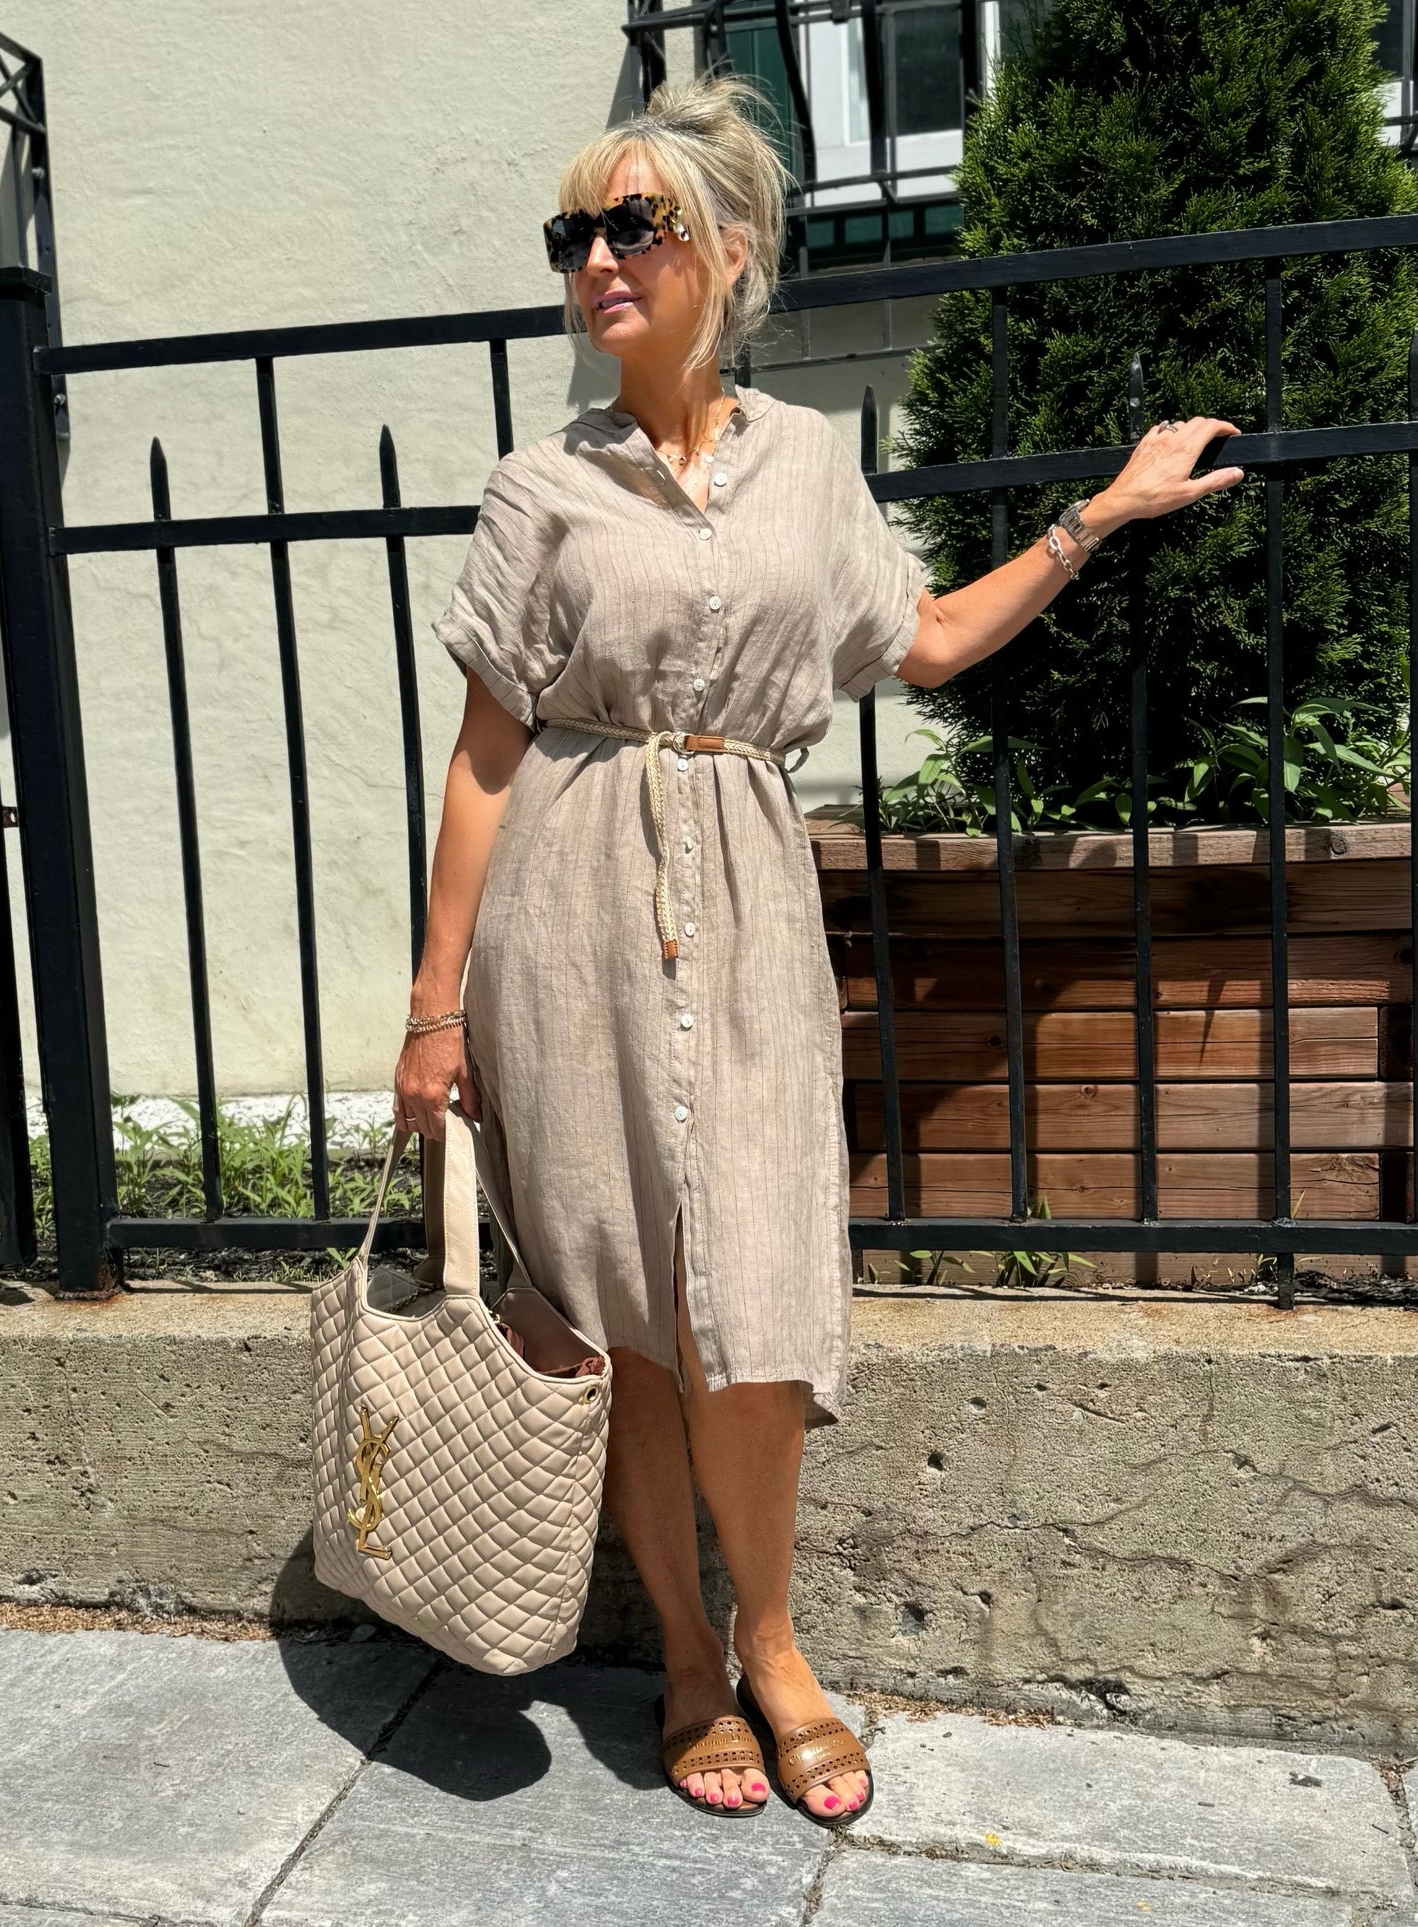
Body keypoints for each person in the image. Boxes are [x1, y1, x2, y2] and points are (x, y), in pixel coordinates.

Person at [393, 71, 1243, 1826]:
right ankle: (690, 1664)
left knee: (758, 1294)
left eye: (633, 225)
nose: (598, 260)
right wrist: (431, 1006)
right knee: (620, 1309)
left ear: (728, 249)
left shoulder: (808, 467)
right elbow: (483, 758)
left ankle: (773, 1642)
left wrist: (1096, 516)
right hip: (565, 906)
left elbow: (919, 642)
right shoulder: (538, 487)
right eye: (574, 234)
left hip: (746, 895)